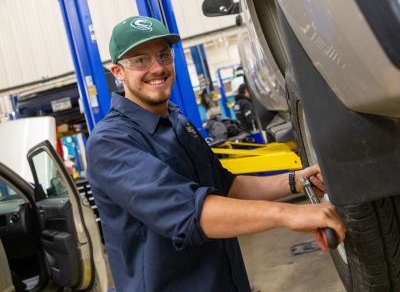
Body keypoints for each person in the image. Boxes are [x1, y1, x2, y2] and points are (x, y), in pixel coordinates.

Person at [86, 15, 346, 292]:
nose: (157, 68)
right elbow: (189, 211)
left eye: (163, 55)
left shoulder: (177, 122)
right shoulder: (110, 143)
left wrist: (295, 181)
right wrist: (287, 215)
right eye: (140, 60)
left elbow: (226, 186)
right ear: (117, 72)